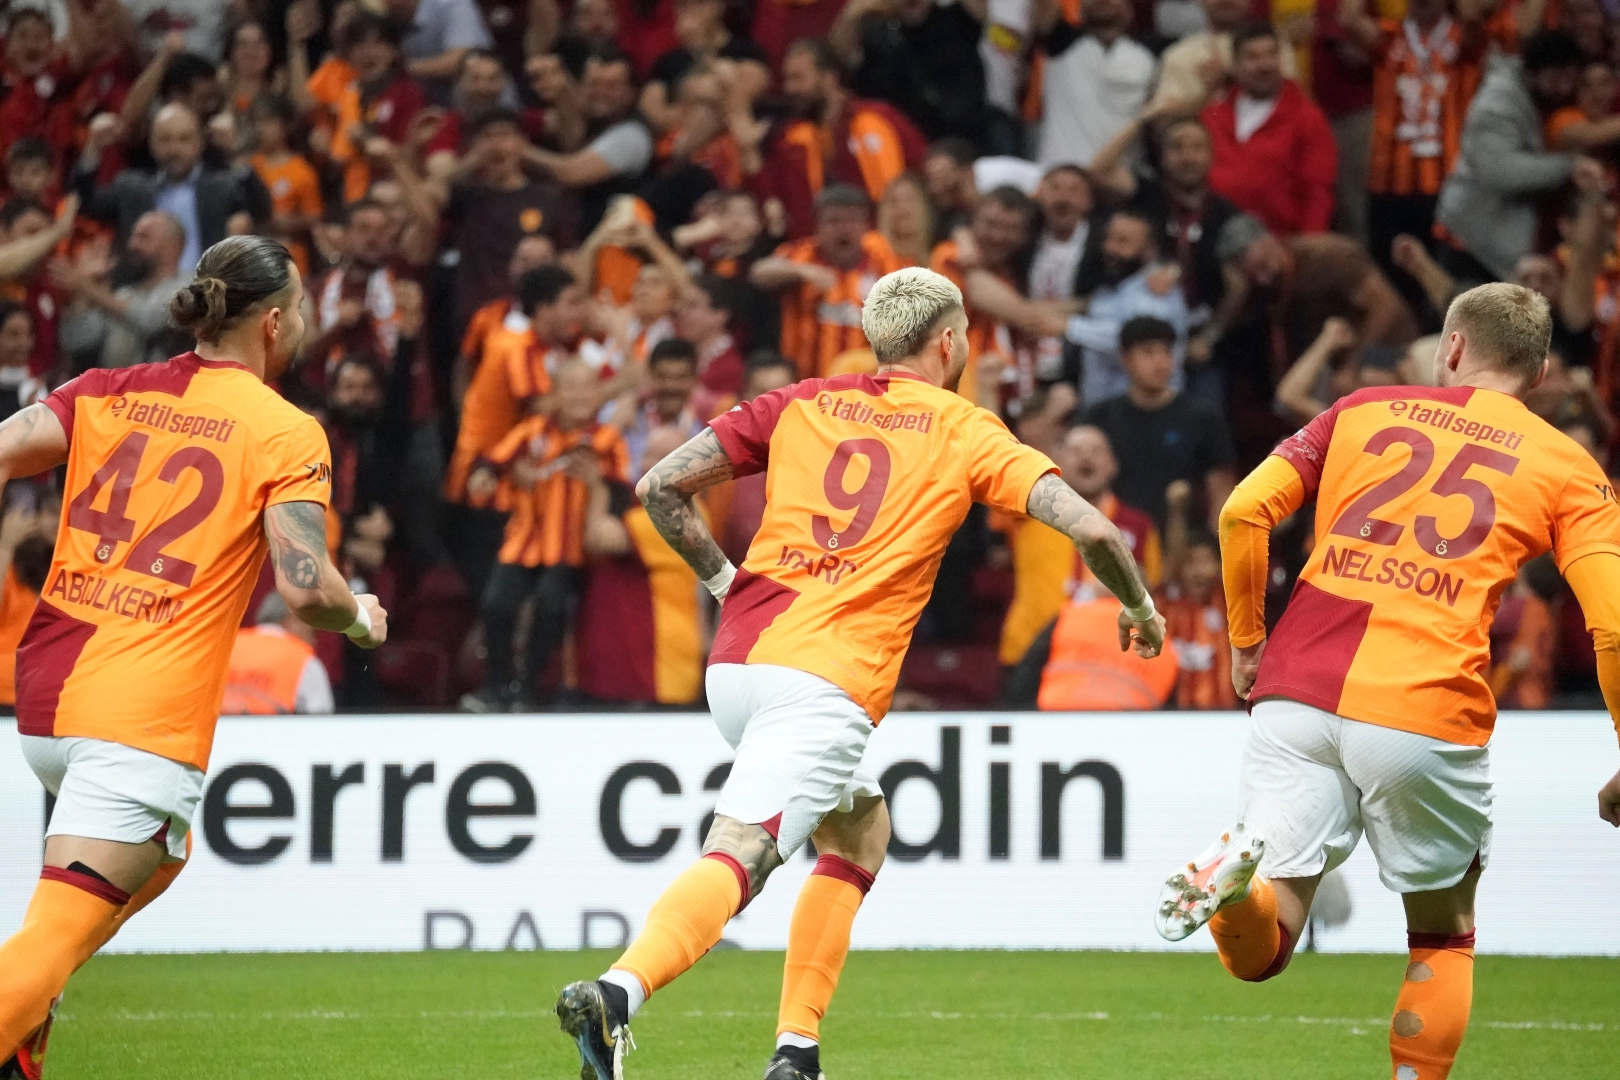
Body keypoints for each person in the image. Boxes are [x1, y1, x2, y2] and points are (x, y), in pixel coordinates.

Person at [553, 265, 1165, 1080]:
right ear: (947, 342)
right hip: (823, 677)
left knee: (861, 830)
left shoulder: (800, 401)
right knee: (743, 851)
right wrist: (1141, 607)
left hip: (738, 661)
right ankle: (617, 994)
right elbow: (1095, 531)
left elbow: (660, 485)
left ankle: (797, 1052)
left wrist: (726, 584)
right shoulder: (965, 428)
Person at [1158, 282, 1620, 1080]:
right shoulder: (1568, 465)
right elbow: (1611, 623)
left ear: (1452, 348)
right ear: (1540, 375)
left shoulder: (1359, 410)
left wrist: (1245, 644)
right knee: (1443, 935)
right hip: (1422, 705)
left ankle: (1236, 893)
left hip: (1295, 695)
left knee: (1265, 948)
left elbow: (1240, 512)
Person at [0, 235, 387, 1076]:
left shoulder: (108, 389)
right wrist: (361, 618)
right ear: (274, 323)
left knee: (162, 857)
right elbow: (306, 589)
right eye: (302, 309)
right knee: (58, 933)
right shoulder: (286, 430)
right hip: (139, 716)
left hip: (45, 701)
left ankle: (21, 1047)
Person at [463, 360, 629, 712]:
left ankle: (528, 690)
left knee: (550, 609)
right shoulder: (531, 431)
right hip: (523, 541)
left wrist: (595, 484)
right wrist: (487, 476)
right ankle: (496, 687)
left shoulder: (607, 441)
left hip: (569, 548)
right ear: (554, 393)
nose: (579, 395)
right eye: (571, 387)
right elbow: (492, 460)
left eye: (587, 387)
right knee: (496, 605)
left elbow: (621, 492)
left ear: (598, 394)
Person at [1436, 31, 1596, 283]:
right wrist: (1569, 166)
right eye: (1556, 78)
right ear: (1533, 71)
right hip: (1472, 244)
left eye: (1571, 79)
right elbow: (1500, 171)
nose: (1564, 87)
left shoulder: (1542, 100)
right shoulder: (1497, 102)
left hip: (1504, 241)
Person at [999, 423, 1162, 671]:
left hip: (1105, 657)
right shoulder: (1026, 509)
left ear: (1113, 464)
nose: (1086, 457)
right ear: (1056, 460)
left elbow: (1154, 590)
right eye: (1075, 450)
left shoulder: (1139, 525)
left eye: (1096, 450)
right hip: (1029, 652)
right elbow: (1003, 457)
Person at [754, 38, 927, 240]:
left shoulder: (880, 118)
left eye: (798, 78)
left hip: (884, 245)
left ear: (829, 78)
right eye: (787, 80)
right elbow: (772, 200)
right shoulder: (788, 137)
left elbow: (922, 170)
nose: (789, 89)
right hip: (813, 250)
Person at [74, 103, 271, 274]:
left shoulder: (221, 186)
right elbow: (84, 204)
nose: (174, 149)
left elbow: (261, 211)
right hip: (142, 297)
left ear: (199, 143)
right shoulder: (131, 187)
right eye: (165, 139)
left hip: (206, 293)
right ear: (151, 143)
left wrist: (235, 155)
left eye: (184, 139)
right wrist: (93, 148)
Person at [1086, 315, 1236, 530]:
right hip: (1116, 535)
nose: (1160, 362)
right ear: (1125, 359)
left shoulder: (1202, 418)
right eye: (1148, 352)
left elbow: (1221, 494)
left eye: (1166, 352)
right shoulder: (1100, 418)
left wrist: (1215, 543)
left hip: (1184, 539)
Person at [750, 184, 903, 379]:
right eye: (833, 221)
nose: (843, 229)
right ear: (817, 226)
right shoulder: (803, 255)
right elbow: (759, 272)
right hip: (806, 382)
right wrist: (803, 271)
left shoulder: (882, 262)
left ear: (866, 225)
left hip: (864, 385)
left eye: (852, 221)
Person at [1202, 22, 1337, 237]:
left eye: (1272, 55)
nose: (1265, 65)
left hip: (1280, 242)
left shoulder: (1307, 118)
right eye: (1253, 57)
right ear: (1235, 65)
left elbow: (1318, 191)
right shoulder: (1212, 116)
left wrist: (1309, 244)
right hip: (1215, 238)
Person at [52, 211, 193, 370]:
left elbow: (151, 320)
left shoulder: (189, 286)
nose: (132, 245)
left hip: (166, 384)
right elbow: (77, 342)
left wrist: (86, 287)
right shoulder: (123, 295)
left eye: (143, 237)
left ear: (171, 247)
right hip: (118, 385)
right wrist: (81, 296)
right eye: (133, 237)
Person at [1032, 0, 1157, 169]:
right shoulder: (1060, 43)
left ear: (1130, 9)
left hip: (1120, 175)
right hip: (1061, 173)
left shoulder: (1147, 57)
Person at [223, 592, 336, 715]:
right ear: (293, 620)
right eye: (312, 630)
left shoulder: (225, 646)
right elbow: (321, 718)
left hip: (217, 726)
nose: (314, 640)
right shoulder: (304, 661)